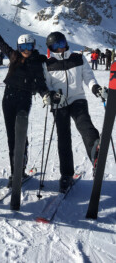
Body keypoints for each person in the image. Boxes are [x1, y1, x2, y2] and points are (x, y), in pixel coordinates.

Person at [0, 16, 50, 187]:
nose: (26, 49)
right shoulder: (13, 56)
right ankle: (15, 172)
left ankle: (22, 158)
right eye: (23, 47)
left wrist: (45, 94)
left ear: (33, 47)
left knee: (20, 134)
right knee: (12, 136)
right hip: (8, 98)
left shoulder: (37, 63)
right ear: (19, 47)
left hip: (24, 100)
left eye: (29, 46)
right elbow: (0, 43)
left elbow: (41, 83)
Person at [44, 31, 108, 192]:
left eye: (62, 44)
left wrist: (96, 88)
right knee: (63, 137)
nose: (60, 48)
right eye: (55, 46)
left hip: (77, 98)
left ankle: (96, 155)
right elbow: (46, 84)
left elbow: (88, 77)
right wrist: (53, 95)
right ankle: (66, 174)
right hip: (59, 103)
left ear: (66, 43)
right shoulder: (48, 63)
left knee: (85, 124)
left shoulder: (78, 58)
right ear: (50, 48)